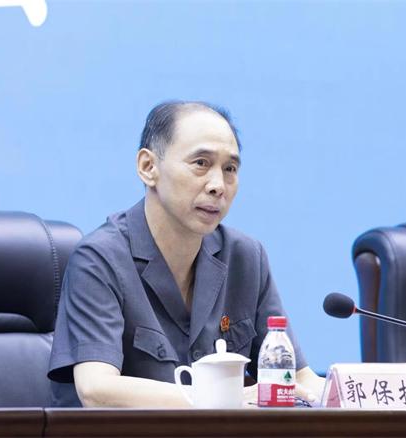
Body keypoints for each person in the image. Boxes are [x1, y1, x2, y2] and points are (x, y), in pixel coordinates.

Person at [47, 101, 325, 407]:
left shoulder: (246, 257)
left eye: (230, 169)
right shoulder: (100, 259)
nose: (218, 186)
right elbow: (97, 389)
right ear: (148, 167)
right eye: (201, 163)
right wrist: (224, 398)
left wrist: (350, 394)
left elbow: (300, 380)